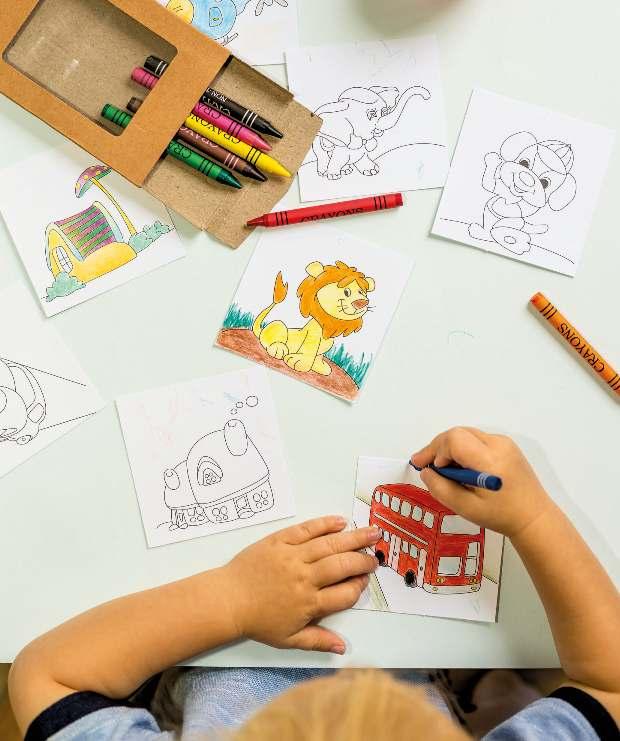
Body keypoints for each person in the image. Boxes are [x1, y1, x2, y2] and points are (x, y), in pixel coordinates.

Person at [9, 428, 620, 740]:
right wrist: (533, 517)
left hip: (199, 656)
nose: (347, 678)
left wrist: (233, 600)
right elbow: (610, 683)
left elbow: (45, 675)